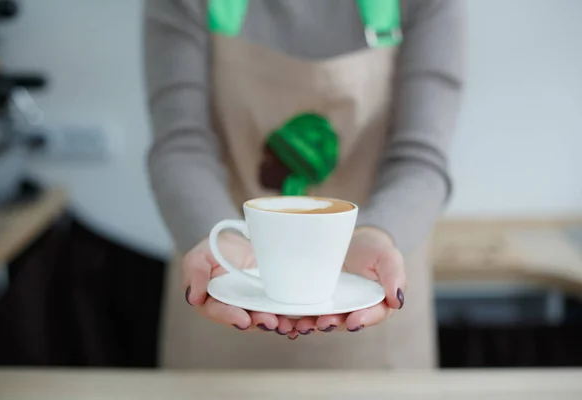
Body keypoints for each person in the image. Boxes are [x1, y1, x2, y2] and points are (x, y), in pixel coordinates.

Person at [144, 0, 464, 369]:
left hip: (373, 302)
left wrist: (378, 233)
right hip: (224, 298)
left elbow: (419, 157)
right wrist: (216, 237)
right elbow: (181, 145)